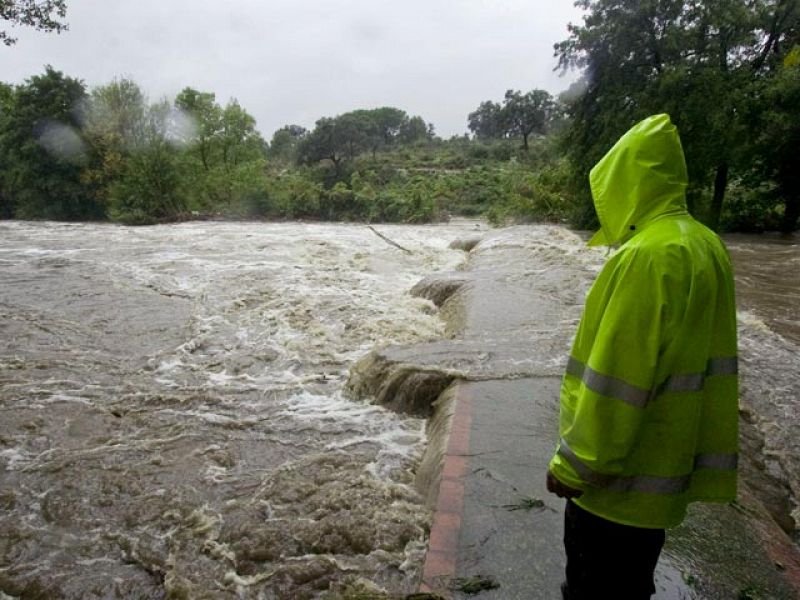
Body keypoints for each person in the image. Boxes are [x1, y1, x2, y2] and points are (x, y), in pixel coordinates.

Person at [546, 114, 739, 599]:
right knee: (631, 586)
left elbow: (617, 378)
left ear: (628, 181)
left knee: (594, 589)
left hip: (615, 487)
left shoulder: (645, 258)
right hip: (662, 473)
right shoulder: (704, 244)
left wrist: (574, 466)